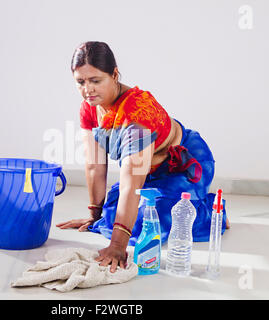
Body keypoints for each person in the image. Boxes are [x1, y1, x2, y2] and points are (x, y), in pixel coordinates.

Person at [56, 41, 229, 273]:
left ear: (114, 75)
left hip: (183, 164)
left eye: (95, 81)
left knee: (155, 220)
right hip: (148, 172)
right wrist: (94, 215)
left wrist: (118, 245)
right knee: (110, 216)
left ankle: (209, 209)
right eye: (80, 82)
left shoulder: (138, 113)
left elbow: (131, 181)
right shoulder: (90, 107)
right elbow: (95, 165)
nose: (88, 90)